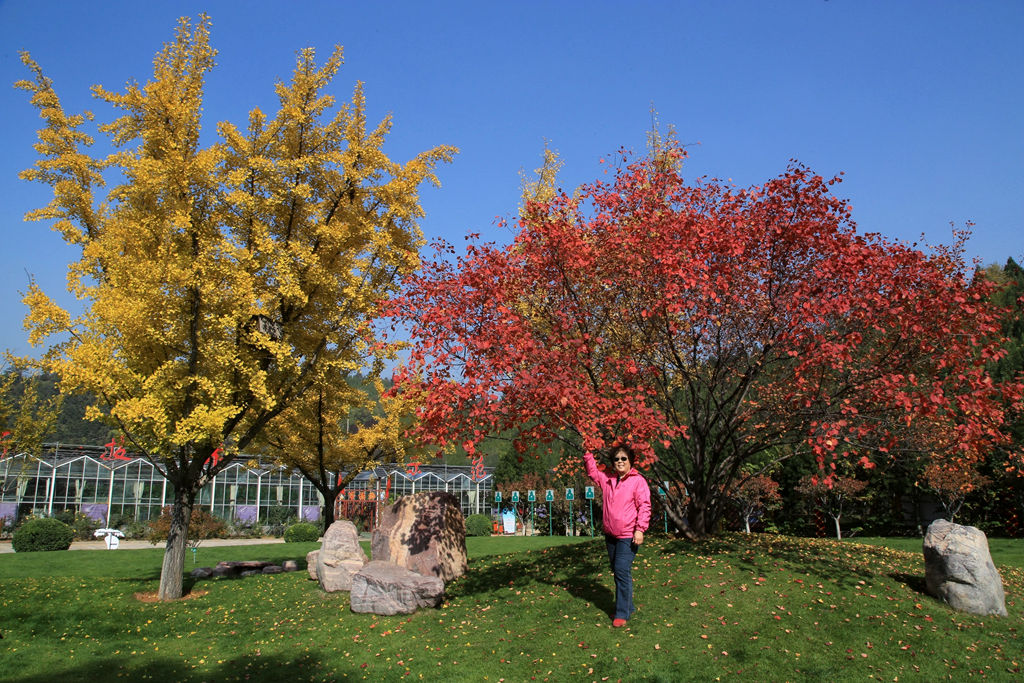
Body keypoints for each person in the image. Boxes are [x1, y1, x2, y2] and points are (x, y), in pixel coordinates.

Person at [584, 445, 651, 627]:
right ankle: (628, 606)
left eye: (624, 458)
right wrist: (588, 453)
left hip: (628, 535)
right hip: (611, 535)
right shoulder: (608, 480)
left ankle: (621, 613)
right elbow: (592, 473)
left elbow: (644, 506)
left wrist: (640, 529)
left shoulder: (638, 481)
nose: (620, 462)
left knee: (621, 570)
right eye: (617, 459)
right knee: (618, 571)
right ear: (613, 463)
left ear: (630, 460)